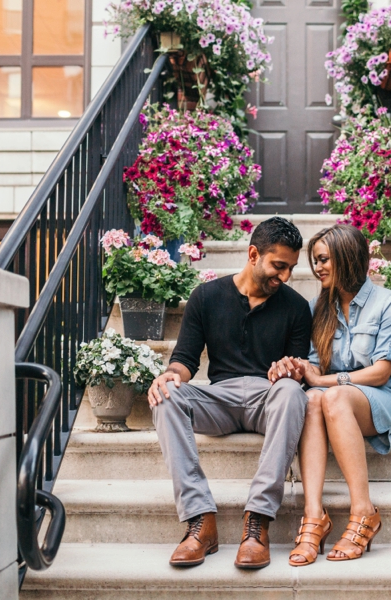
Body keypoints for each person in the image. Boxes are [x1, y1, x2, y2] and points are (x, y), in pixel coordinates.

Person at [147, 217, 312, 570]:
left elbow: (299, 367)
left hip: (267, 399)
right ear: (253, 254)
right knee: (167, 395)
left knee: (292, 393)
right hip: (218, 400)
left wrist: (292, 369)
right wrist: (169, 376)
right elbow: (185, 361)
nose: (284, 277)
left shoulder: (297, 307)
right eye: (278, 266)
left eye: (290, 268)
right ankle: (200, 522)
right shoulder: (206, 297)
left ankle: (257, 523)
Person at [270, 224, 391, 565]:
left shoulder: (387, 303)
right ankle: (314, 514)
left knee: (329, 395)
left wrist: (330, 381)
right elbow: (316, 370)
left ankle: (363, 510)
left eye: (323, 259)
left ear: (347, 257)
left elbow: (381, 371)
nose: (317, 267)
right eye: (315, 261)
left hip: (382, 397)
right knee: (311, 398)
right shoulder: (319, 307)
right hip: (337, 399)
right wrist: (300, 369)